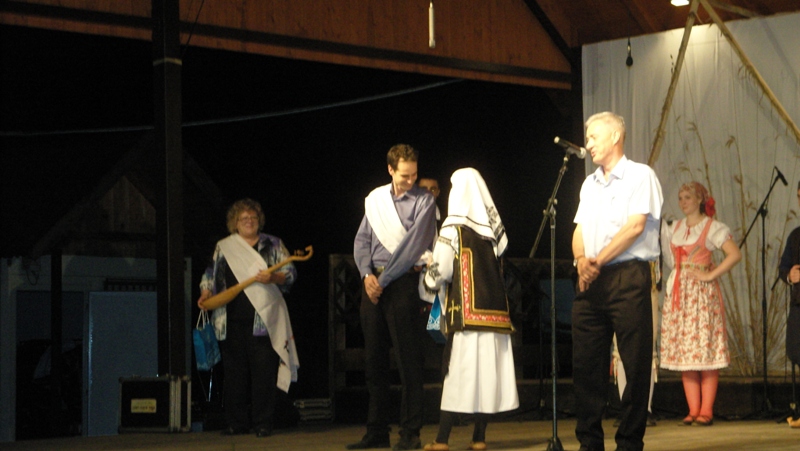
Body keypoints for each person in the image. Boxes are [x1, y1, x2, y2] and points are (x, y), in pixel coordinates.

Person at [571, 112, 663, 451]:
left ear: (615, 137)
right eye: (588, 138)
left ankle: (629, 442)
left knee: (635, 363)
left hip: (628, 276)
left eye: (594, 137)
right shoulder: (589, 184)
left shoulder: (641, 175)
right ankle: (589, 442)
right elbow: (579, 229)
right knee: (586, 365)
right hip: (591, 279)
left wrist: (599, 260)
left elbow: (635, 226)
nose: (588, 144)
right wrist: (582, 260)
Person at [421, 168, 518, 451]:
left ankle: (442, 440)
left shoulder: (452, 229)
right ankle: (479, 437)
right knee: (486, 376)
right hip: (495, 318)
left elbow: (439, 273)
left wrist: (428, 274)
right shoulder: (493, 234)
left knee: (455, 375)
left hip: (465, 317)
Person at [349, 144, 438, 450]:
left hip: (402, 283)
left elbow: (413, 248)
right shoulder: (376, 200)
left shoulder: (424, 201)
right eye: (404, 175)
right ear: (390, 170)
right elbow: (362, 240)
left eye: (414, 174)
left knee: (407, 360)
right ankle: (377, 431)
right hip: (373, 282)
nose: (411, 180)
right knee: (374, 360)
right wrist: (366, 276)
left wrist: (382, 281)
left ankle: (410, 433)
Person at [197, 198, 299, 438]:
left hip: (264, 319)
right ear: (235, 222)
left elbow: (290, 273)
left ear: (259, 220)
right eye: (244, 218)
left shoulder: (273, 244)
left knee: (263, 374)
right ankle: (237, 423)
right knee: (234, 375)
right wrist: (206, 292)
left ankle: (263, 423)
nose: (249, 221)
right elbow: (211, 273)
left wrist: (272, 278)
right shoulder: (225, 246)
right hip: (229, 319)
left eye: (253, 218)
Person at [659, 182, 740, 427]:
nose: (683, 202)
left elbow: (734, 254)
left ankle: (706, 410)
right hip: (680, 294)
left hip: (701, 296)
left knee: (705, 349)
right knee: (687, 352)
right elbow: (671, 261)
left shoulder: (711, 227)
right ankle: (693, 409)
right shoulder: (675, 228)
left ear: (699, 200)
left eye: (688, 197)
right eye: (680, 198)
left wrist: (709, 275)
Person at [778, 182, 800, 428]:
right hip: (798, 303)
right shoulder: (796, 235)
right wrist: (789, 276)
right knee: (796, 351)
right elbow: (783, 267)